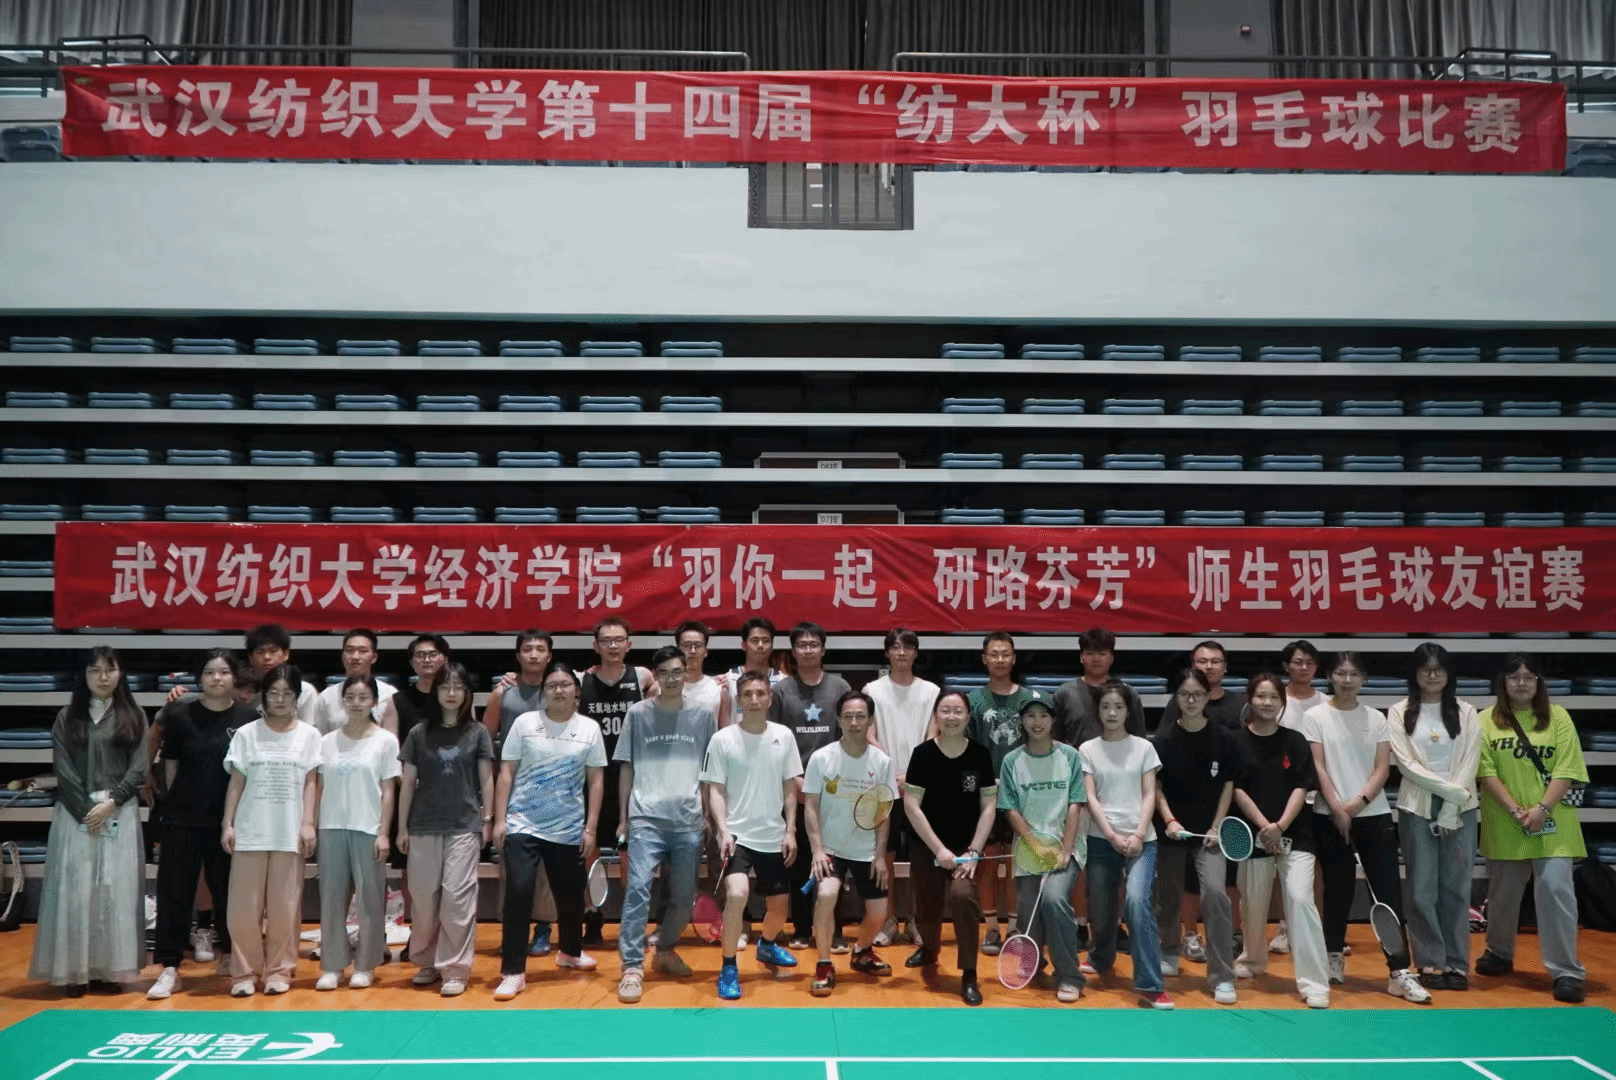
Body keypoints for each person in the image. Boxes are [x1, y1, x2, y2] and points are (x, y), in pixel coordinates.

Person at [1302, 652, 1431, 1003]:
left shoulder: (1377, 718)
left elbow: (1382, 769)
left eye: (1354, 674)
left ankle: (1398, 970)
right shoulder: (1315, 717)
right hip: (1328, 815)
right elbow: (1318, 766)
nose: (1347, 680)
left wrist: (1356, 804)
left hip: (1373, 815)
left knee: (1387, 894)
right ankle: (1332, 955)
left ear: (1363, 678)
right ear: (1330, 676)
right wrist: (1337, 808)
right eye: (1340, 673)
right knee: (1337, 889)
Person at [29, 647, 148, 996]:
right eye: (94, 670)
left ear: (121, 674)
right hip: (74, 814)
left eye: (110, 670)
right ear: (83, 675)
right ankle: (74, 972)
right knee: (76, 892)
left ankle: (108, 971)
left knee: (114, 892)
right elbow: (63, 769)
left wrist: (112, 802)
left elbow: (140, 767)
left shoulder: (134, 716)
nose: (102, 677)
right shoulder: (67, 717)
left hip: (119, 812)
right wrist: (86, 812)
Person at [1473, 654, 1589, 1004]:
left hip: (1553, 823)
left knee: (1556, 891)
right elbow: (1485, 770)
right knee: (1503, 893)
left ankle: (1567, 971)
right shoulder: (1485, 720)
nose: (1521, 683)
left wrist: (1542, 808)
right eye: (1514, 677)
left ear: (1539, 683)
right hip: (1506, 821)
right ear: (1503, 682)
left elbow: (1567, 767)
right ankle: (1499, 951)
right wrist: (1515, 810)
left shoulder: (1558, 717)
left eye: (1528, 677)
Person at [146, 649, 255, 1000]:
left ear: (234, 678)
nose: (216, 678)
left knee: (230, 894)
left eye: (223, 672)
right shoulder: (180, 714)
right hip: (182, 819)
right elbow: (170, 764)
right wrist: (171, 804)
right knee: (174, 893)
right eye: (209, 672)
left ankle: (233, 958)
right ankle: (169, 966)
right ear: (200, 678)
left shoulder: (248, 717)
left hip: (228, 822)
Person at [492, 660, 603, 1001]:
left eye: (565, 685)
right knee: (519, 891)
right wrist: (499, 820)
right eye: (552, 685)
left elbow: (596, 780)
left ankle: (570, 951)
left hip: (568, 827)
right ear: (543, 692)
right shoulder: (525, 724)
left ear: (576, 692)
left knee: (570, 895)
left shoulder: (589, 729)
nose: (558, 690)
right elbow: (506, 772)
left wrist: (590, 829)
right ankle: (513, 971)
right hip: (522, 823)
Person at [615, 646, 717, 1002]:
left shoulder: (703, 715)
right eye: (664, 673)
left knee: (684, 895)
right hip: (646, 818)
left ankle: (665, 950)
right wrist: (624, 817)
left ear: (686, 672)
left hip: (688, 821)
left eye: (677, 671)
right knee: (638, 890)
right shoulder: (637, 714)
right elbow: (626, 766)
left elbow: (708, 771)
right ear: (655, 676)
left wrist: (706, 814)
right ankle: (632, 967)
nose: (671, 679)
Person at [221, 664, 322, 997]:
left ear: (297, 697)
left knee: (285, 908)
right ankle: (244, 972)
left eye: (287, 694)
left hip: (289, 831)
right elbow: (237, 782)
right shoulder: (246, 734)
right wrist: (228, 823)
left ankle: (280, 970)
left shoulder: (309, 736)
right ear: (264, 696)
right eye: (273, 693)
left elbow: (311, 782)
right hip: (250, 829)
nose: (279, 699)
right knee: (242, 910)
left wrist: (308, 823)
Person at [1230, 673, 1331, 1009]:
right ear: (1250, 700)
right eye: (1261, 696)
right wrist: (1264, 827)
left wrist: (1281, 826)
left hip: (1296, 834)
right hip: (1253, 834)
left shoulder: (1295, 741)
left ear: (1282, 703)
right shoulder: (1236, 742)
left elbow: (1302, 786)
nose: (1268, 702)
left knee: (1300, 898)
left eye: (1274, 697)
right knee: (1253, 902)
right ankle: (1253, 959)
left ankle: (1314, 982)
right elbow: (1237, 788)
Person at [701, 670, 804, 1000]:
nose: (755, 699)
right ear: (739, 699)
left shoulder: (783, 736)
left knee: (779, 910)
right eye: (748, 694)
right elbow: (715, 790)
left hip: (773, 835)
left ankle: (767, 945)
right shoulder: (722, 740)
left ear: (769, 698)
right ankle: (729, 966)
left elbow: (790, 786)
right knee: (737, 894)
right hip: (737, 836)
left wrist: (791, 829)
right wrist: (723, 831)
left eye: (761, 693)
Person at [1385, 643, 1481, 992]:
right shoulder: (1398, 712)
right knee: (1421, 889)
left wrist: (1453, 805)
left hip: (1462, 810)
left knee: (1456, 887)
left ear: (1449, 673)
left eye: (1439, 668)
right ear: (1414, 673)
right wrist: (1451, 792)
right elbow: (1406, 764)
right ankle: (1429, 961)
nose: (1432, 674)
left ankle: (1456, 963)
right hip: (1417, 808)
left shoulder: (1467, 712)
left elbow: (1471, 759)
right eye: (1425, 668)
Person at [398, 661, 494, 997]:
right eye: (445, 686)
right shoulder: (418, 733)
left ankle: (454, 968)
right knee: (424, 897)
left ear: (467, 693)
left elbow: (486, 779)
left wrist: (487, 820)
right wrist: (401, 827)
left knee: (456, 897)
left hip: (464, 825)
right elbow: (407, 783)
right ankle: (427, 961)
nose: (451, 693)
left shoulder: (477, 733)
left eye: (458, 687)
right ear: (435, 691)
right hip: (423, 825)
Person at [901, 688, 996, 1005]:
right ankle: (929, 949)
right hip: (927, 846)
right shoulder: (922, 754)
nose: (952, 717)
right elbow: (912, 805)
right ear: (936, 716)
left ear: (968, 717)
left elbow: (988, 806)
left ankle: (969, 972)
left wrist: (974, 850)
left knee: (962, 897)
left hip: (967, 849)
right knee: (926, 906)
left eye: (958, 711)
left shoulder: (980, 755)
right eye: (945, 710)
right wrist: (938, 850)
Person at [1152, 667, 1241, 1004]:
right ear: (1177, 698)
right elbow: (1156, 787)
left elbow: (1228, 785)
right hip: (1172, 831)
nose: (1191, 701)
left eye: (1198, 695)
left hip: (1210, 835)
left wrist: (1218, 825)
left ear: (1207, 697)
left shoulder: (1224, 738)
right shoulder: (1163, 740)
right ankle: (1169, 951)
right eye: (1185, 694)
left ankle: (1222, 976)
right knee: (1168, 896)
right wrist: (1170, 820)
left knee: (1216, 895)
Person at [1081, 681, 1171, 1010]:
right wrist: (1112, 835)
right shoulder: (1087, 749)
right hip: (1101, 839)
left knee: (1136, 902)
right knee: (1101, 910)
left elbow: (1149, 794)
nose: (1112, 713)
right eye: (1105, 707)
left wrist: (1137, 834)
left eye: (1118, 707)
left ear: (1128, 712)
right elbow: (1091, 797)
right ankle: (1101, 957)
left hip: (1142, 841)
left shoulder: (1144, 748)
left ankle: (1151, 985)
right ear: (1098, 712)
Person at [803, 691, 895, 996]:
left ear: (870, 721)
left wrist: (880, 855)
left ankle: (862, 951)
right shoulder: (822, 758)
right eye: (848, 717)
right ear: (839, 720)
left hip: (867, 851)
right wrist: (817, 850)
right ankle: (824, 963)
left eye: (860, 716)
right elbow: (810, 807)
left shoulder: (881, 762)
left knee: (879, 913)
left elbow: (883, 812)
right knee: (826, 894)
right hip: (830, 851)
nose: (854, 722)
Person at [998, 696, 1087, 1003]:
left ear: (1053, 720)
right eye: (1030, 716)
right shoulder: (1012, 760)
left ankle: (1069, 975)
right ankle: (1034, 963)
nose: (1037, 722)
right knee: (1028, 910)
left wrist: (1065, 850)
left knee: (1053, 899)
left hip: (1065, 846)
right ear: (1022, 721)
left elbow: (1075, 804)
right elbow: (1010, 808)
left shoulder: (1070, 756)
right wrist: (1035, 845)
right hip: (1028, 848)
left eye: (1043, 716)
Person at [314, 674, 400, 991]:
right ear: (342, 702)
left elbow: (389, 791)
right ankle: (333, 965)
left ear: (375, 701)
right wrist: (311, 824)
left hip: (368, 828)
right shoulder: (326, 742)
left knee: (370, 900)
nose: (356, 703)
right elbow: (318, 787)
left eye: (363, 698)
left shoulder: (386, 741)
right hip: (331, 826)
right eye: (350, 697)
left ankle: (366, 964)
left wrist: (384, 833)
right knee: (332, 899)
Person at [770, 621, 852, 949]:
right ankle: (802, 928)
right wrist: (794, 779)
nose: (808, 650)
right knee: (799, 861)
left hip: (834, 787)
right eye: (801, 645)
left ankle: (834, 930)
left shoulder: (839, 687)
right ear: (793, 651)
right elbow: (773, 740)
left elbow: (849, 736)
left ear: (823, 649)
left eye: (813, 644)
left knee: (835, 861)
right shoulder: (781, 690)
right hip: (794, 787)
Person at [482, 629, 559, 957]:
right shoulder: (503, 694)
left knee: (547, 866)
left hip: (553, 791)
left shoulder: (561, 689)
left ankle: (543, 928)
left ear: (549, 656)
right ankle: (513, 928)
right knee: (512, 867)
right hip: (512, 792)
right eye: (527, 649)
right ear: (518, 655)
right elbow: (485, 741)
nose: (534, 654)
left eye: (540, 649)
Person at [862, 626, 940, 948]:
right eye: (895, 647)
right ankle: (889, 920)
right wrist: (891, 769)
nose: (901, 652)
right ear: (887, 652)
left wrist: (913, 774)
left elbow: (933, 736)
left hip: (921, 788)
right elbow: (868, 733)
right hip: (884, 785)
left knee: (923, 859)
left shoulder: (931, 691)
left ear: (916, 652)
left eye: (908, 647)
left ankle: (917, 922)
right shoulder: (872, 690)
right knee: (886, 856)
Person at [967, 631, 1043, 956]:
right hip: (984, 795)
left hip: (1022, 796)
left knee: (1016, 860)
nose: (999, 659)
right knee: (986, 860)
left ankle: (1013, 925)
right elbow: (966, 751)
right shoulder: (973, 701)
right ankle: (990, 927)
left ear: (1014, 658)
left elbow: (1041, 745)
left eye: (1005, 653)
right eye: (994, 654)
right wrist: (986, 782)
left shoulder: (1032, 699)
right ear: (984, 659)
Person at [581, 617, 656, 946]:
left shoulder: (643, 677)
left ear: (629, 644)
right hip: (592, 778)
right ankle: (592, 918)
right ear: (595, 646)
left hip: (632, 777)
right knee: (591, 851)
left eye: (619, 639)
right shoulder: (581, 680)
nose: (613, 645)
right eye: (606, 640)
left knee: (631, 855)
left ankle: (633, 923)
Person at [1051, 626, 1146, 745]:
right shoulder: (1065, 694)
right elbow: (1054, 739)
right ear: (1081, 657)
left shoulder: (1128, 693)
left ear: (1111, 658)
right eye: (1090, 653)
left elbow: (1139, 739)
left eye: (1102, 654)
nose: (1096, 659)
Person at [313, 628, 399, 735]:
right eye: (349, 651)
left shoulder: (390, 695)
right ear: (342, 656)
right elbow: (321, 738)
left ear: (374, 657)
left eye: (363, 651)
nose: (355, 657)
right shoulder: (326, 697)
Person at [1161, 640, 1246, 732]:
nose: (1209, 666)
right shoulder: (1180, 703)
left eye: (1215, 662)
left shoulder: (1242, 703)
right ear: (1193, 666)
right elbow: (1164, 738)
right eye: (1202, 661)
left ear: (1225, 667)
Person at [721, 616, 787, 727]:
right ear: (744, 645)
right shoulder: (727, 680)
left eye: (765, 641)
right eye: (755, 641)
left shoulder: (783, 682)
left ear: (772, 646)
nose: (760, 645)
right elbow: (724, 725)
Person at [393, 633, 452, 744]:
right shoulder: (397, 700)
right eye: (420, 655)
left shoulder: (458, 696)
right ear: (412, 662)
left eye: (433, 655)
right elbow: (391, 745)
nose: (427, 660)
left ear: (445, 660)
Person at [678, 620, 725, 716]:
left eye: (698, 645)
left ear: (706, 651)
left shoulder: (718, 689)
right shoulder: (664, 687)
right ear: (678, 650)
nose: (692, 651)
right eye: (686, 645)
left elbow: (725, 725)